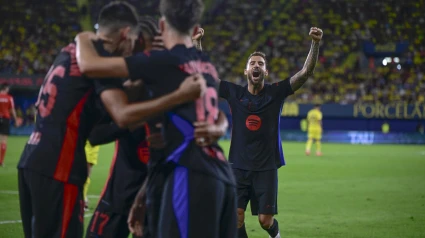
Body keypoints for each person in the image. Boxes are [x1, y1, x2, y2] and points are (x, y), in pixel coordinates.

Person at [17, 2, 206, 238]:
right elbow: (119, 115)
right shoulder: (99, 63)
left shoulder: (74, 49)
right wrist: (175, 96)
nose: (136, 58)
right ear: (128, 35)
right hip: (61, 165)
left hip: (32, 158)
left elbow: (98, 131)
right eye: (138, 50)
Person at [74, 0, 237, 237]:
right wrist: (220, 126)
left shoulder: (158, 64)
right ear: (194, 31)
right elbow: (214, 109)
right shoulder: (205, 64)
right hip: (218, 174)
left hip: (187, 173)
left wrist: (83, 38)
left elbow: (90, 66)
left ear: (162, 27)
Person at [218, 28, 323, 237]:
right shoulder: (234, 93)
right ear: (246, 71)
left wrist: (315, 43)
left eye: (261, 64)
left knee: (265, 221)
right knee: (235, 217)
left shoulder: (275, 93)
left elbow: (305, 73)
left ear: (265, 72)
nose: (256, 66)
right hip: (238, 166)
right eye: (252, 63)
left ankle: (276, 235)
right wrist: (197, 43)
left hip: (266, 167)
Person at [0, 83, 22, 166]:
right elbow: (12, 110)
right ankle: (1, 161)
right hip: (5, 119)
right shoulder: (9, 98)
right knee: (4, 140)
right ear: (5, 88)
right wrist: (16, 120)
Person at [83, 140, 100, 211]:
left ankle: (83, 197)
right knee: (86, 171)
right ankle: (82, 199)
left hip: (89, 141)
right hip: (90, 141)